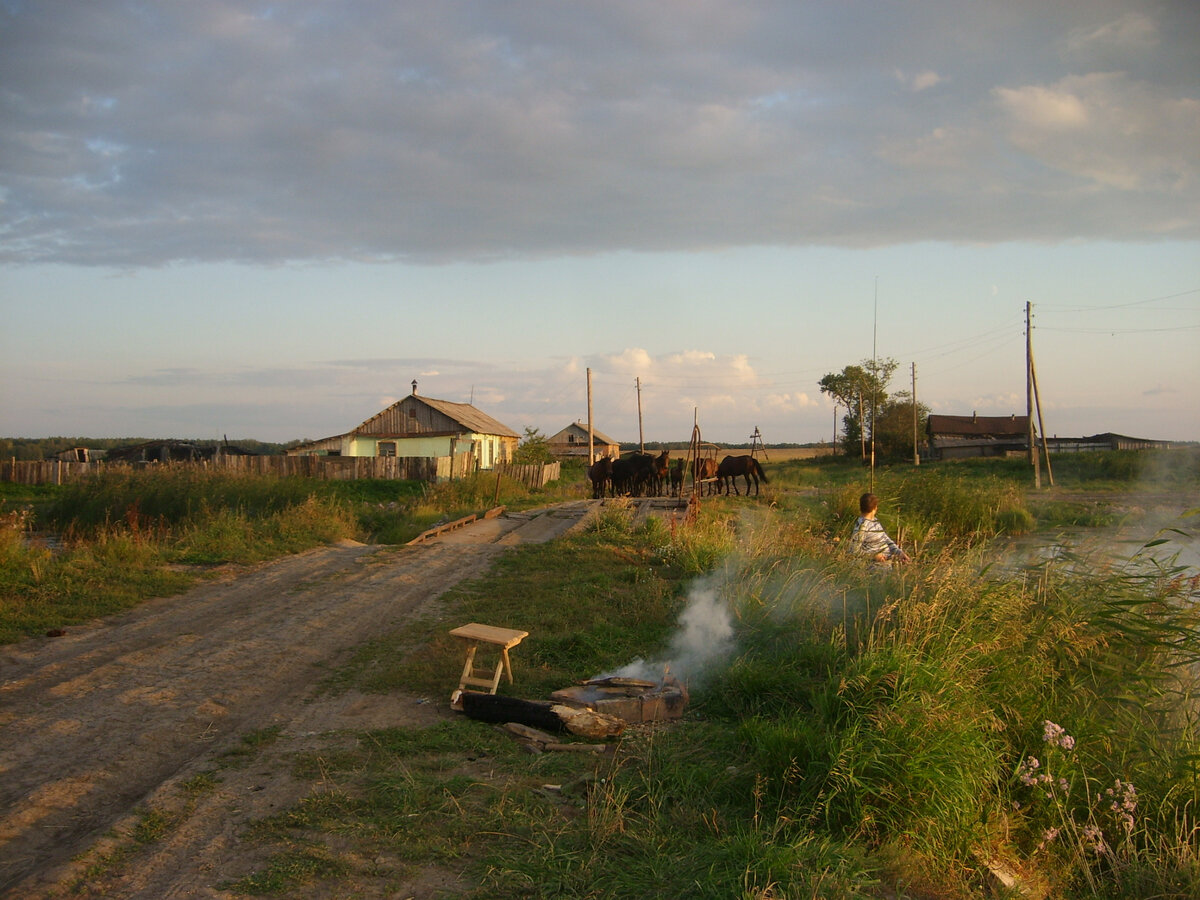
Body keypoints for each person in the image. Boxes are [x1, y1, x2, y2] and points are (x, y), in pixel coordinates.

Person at [848, 492, 910, 564]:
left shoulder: (874, 521)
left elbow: (886, 539)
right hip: (872, 569)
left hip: (885, 567)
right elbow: (854, 551)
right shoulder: (861, 526)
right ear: (875, 507)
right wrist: (874, 556)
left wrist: (899, 553)